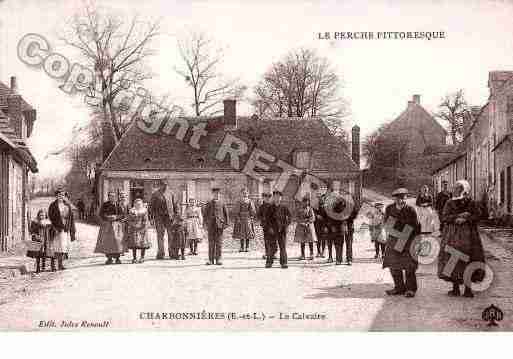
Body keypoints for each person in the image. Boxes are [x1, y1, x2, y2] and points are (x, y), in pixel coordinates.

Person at [438, 180, 485, 298]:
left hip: (469, 236)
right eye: (457, 188)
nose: (459, 191)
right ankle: (455, 288)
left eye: (461, 189)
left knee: (469, 259)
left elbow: (478, 215)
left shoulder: (471, 203)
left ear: (466, 191)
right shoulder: (449, 203)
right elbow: (444, 217)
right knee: (453, 258)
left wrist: (467, 219)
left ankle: (468, 290)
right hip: (453, 234)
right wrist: (457, 217)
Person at [383, 188, 420, 298]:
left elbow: (416, 226)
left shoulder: (411, 210)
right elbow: (386, 223)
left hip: (408, 240)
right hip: (394, 239)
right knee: (393, 265)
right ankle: (399, 287)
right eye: (398, 199)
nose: (401, 201)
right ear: (394, 199)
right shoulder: (389, 209)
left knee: (409, 266)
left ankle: (410, 289)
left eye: (403, 199)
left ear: (406, 199)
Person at [48, 188, 76, 270]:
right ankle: (53, 265)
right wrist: (54, 227)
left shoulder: (67, 205)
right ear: (56, 196)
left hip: (65, 229)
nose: (61, 196)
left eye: (62, 195)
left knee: (63, 247)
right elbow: (50, 217)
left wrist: (72, 230)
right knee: (55, 247)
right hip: (56, 229)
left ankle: (60, 264)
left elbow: (71, 218)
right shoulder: (53, 205)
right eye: (59, 195)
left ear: (65, 196)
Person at [149, 180, 178, 260]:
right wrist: (151, 218)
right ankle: (160, 253)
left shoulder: (171, 193)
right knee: (160, 236)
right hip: (159, 218)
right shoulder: (155, 194)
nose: (165, 186)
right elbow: (150, 207)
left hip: (170, 218)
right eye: (163, 185)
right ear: (160, 185)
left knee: (171, 235)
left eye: (166, 185)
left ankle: (172, 252)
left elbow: (175, 205)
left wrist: (176, 216)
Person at [94, 191, 125, 264]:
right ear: (108, 197)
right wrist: (107, 217)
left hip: (117, 226)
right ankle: (109, 258)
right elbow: (101, 214)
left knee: (117, 241)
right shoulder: (105, 205)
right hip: (107, 226)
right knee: (107, 242)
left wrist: (116, 217)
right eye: (111, 196)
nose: (112, 198)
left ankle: (117, 258)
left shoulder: (118, 205)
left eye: (114, 196)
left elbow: (122, 214)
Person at [203, 188, 229, 265]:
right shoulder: (209, 203)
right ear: (212, 194)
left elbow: (226, 214)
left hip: (219, 226)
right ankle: (210, 259)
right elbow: (205, 215)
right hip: (211, 225)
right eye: (214, 194)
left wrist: (226, 224)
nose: (216, 195)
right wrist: (205, 224)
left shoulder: (222, 203)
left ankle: (218, 259)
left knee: (219, 243)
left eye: (217, 194)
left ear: (219, 194)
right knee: (211, 243)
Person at [267, 190, 291, 269]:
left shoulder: (284, 207)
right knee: (272, 247)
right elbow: (267, 219)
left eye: (278, 196)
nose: (277, 198)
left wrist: (286, 226)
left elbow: (289, 218)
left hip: (282, 230)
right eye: (275, 196)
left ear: (281, 198)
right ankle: (269, 262)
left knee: (282, 247)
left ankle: (284, 263)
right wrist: (270, 228)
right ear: (273, 197)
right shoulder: (270, 207)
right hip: (272, 230)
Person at [125, 198, 151, 264]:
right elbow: (129, 220)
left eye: (139, 204)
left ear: (142, 204)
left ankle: (142, 257)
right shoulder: (132, 211)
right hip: (134, 229)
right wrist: (132, 224)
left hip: (142, 229)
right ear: (134, 204)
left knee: (143, 244)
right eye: (137, 204)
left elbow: (145, 220)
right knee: (134, 244)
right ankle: (134, 258)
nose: (138, 205)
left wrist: (142, 226)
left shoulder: (144, 211)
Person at [232, 188, 256, 253]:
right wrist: (238, 218)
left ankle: (247, 247)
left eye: (246, 193)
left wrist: (251, 217)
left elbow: (252, 210)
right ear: (241, 194)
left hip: (248, 218)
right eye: (243, 193)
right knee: (241, 232)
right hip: (241, 218)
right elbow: (236, 210)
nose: (245, 194)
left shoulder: (250, 201)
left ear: (248, 194)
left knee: (248, 232)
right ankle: (242, 247)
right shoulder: (239, 201)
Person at [294, 196, 317, 260]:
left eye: (307, 201)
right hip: (301, 226)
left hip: (309, 226)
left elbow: (313, 217)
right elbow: (296, 217)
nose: (305, 203)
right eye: (304, 201)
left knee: (310, 241)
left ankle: (311, 254)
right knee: (302, 241)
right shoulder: (299, 209)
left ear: (308, 202)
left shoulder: (310, 209)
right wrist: (301, 222)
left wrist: (308, 222)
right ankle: (302, 254)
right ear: (302, 202)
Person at [257, 192, 273, 260]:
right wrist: (262, 219)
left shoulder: (273, 206)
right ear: (263, 198)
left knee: (273, 239)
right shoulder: (261, 207)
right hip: (265, 225)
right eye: (265, 197)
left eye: (268, 198)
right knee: (266, 239)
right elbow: (258, 215)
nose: (267, 199)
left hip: (272, 225)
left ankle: (273, 253)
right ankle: (267, 253)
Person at [313, 187, 328, 258]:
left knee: (324, 238)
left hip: (324, 224)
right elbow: (313, 213)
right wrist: (316, 216)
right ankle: (318, 252)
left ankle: (323, 251)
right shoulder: (315, 206)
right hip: (317, 224)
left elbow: (328, 217)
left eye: (322, 198)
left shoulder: (326, 207)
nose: (321, 199)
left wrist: (326, 226)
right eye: (319, 198)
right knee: (318, 239)